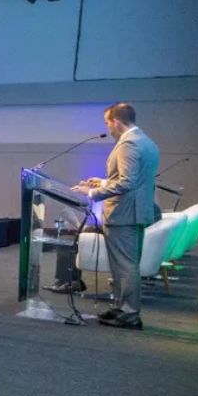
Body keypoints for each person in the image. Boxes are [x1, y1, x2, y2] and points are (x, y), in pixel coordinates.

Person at [74, 103, 161, 330]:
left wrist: (92, 193)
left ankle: (130, 313)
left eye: (107, 123)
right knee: (126, 264)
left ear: (116, 121)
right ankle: (122, 307)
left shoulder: (128, 144)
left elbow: (126, 182)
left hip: (124, 214)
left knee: (125, 266)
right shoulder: (146, 141)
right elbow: (135, 180)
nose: (108, 128)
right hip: (135, 211)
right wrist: (104, 182)